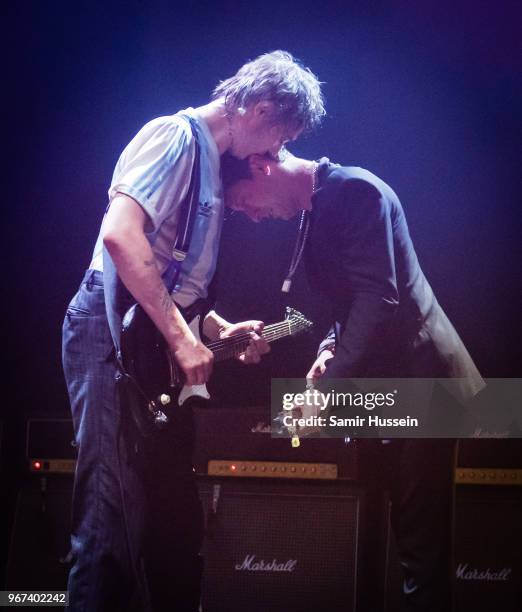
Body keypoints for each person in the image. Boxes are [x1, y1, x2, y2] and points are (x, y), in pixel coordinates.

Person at [62, 51, 325, 611]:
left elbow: (175, 281)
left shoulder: (209, 161)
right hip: (109, 329)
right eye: (280, 137)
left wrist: (214, 327)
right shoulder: (175, 137)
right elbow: (121, 237)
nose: (275, 154)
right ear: (259, 109)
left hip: (147, 335)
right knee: (109, 521)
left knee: (171, 525)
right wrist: (182, 339)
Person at [222, 149, 485, 611]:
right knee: (371, 539)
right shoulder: (320, 205)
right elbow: (351, 306)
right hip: (383, 389)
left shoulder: (355, 191)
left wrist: (326, 391)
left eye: (243, 201)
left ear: (262, 167)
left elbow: (379, 297)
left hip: (423, 384)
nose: (251, 216)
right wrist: (327, 351)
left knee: (421, 553)